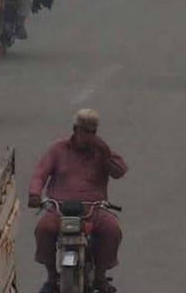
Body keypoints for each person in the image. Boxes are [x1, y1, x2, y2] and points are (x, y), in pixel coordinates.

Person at [28, 110, 128, 293]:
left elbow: (120, 171)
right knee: (43, 228)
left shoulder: (102, 153)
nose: (88, 137)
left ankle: (100, 277)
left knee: (112, 229)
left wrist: (105, 151)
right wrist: (35, 194)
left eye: (92, 133)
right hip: (61, 209)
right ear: (75, 130)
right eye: (84, 131)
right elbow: (39, 173)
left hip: (93, 209)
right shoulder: (58, 149)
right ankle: (51, 276)